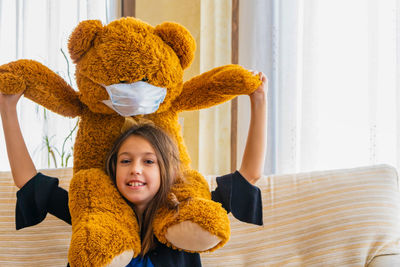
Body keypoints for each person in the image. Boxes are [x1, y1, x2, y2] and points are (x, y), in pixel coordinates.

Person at [0, 71, 268, 267]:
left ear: (166, 171)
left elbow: (249, 175)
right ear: (113, 168)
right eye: (125, 161)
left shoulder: (184, 212)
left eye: (148, 161)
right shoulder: (94, 209)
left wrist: (259, 101)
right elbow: (28, 182)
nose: (135, 169)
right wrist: (7, 108)